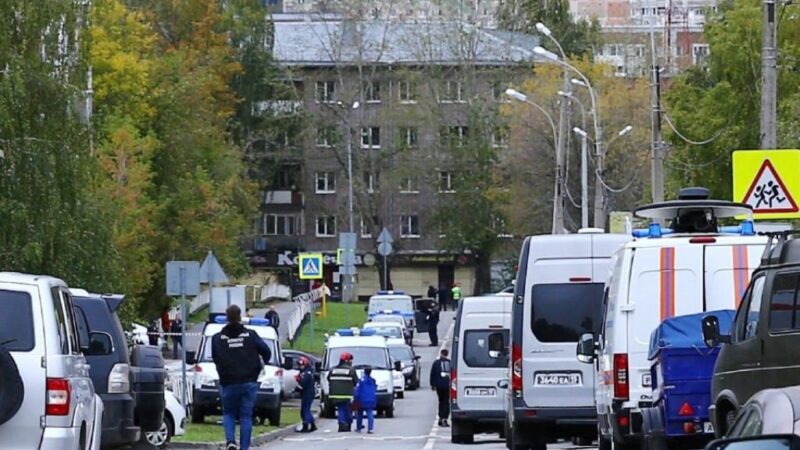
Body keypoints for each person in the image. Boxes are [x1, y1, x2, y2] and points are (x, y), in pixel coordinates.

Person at [211, 305, 272, 450]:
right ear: (240, 317)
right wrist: (262, 364)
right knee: (246, 416)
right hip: (249, 381)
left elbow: (215, 357)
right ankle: (244, 447)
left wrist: (223, 370)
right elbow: (266, 351)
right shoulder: (250, 335)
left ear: (227, 317)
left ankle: (230, 441)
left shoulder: (218, 338)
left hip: (228, 382)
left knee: (229, 413)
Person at [328, 352, 358, 432]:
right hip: (347, 395)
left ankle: (341, 424)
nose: (351, 362)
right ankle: (347, 424)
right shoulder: (351, 370)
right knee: (348, 410)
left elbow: (328, 379)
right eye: (350, 360)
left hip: (335, 395)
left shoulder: (333, 370)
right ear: (347, 360)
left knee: (341, 409)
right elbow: (356, 381)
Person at [430, 349, 452, 427]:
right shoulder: (450, 363)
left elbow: (432, 374)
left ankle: (440, 418)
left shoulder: (436, 363)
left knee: (441, 401)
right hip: (447, 385)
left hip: (439, 386)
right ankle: (444, 418)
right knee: (446, 402)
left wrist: (432, 385)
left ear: (441, 354)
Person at [294, 357, 317, 433]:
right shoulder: (306, 372)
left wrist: (296, 389)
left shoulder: (306, 373)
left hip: (307, 393)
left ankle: (306, 426)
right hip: (307, 393)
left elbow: (303, 384)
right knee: (305, 410)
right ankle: (312, 425)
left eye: (301, 365)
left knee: (305, 410)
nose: (300, 367)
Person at [353, 367, 377, 434]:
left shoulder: (360, 380)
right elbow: (375, 388)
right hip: (371, 399)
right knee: (370, 414)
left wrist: (355, 398)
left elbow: (357, 390)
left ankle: (359, 428)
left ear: (364, 372)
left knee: (360, 414)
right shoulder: (373, 380)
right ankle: (370, 429)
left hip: (361, 399)